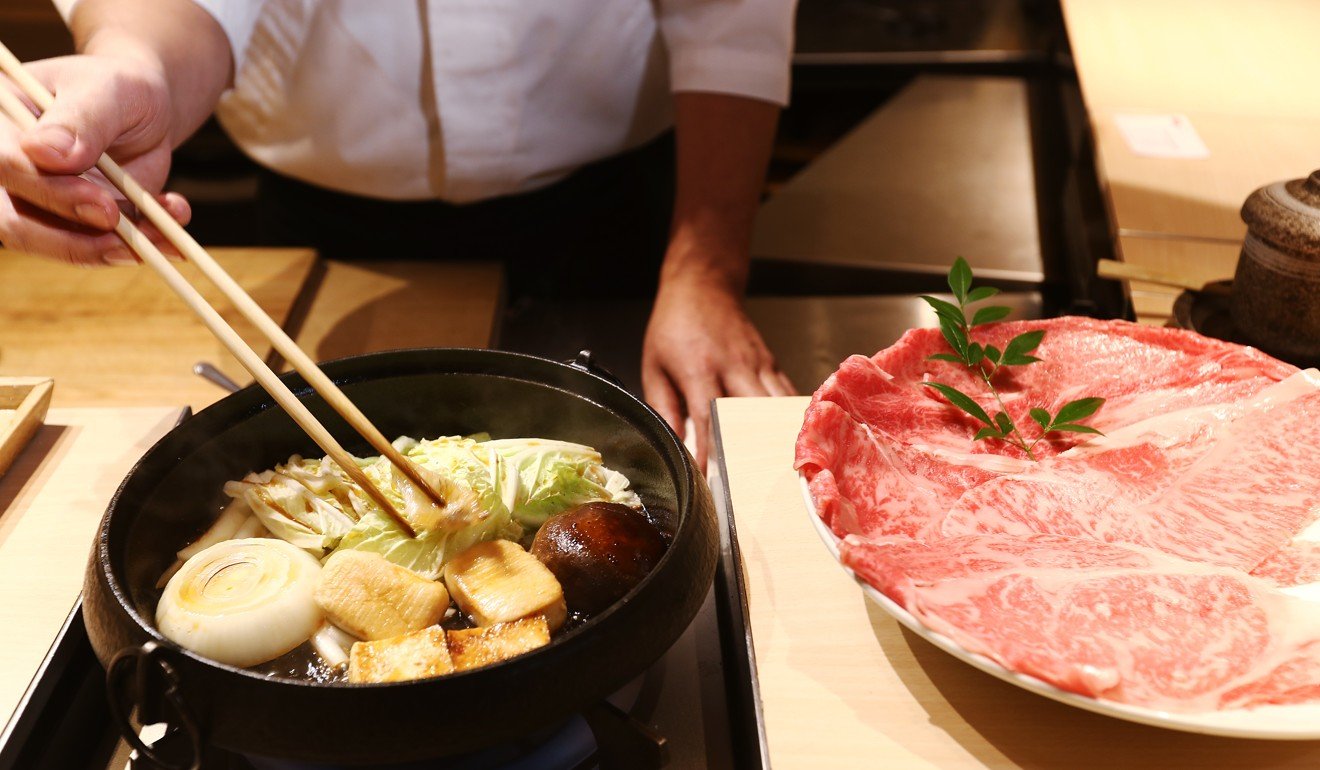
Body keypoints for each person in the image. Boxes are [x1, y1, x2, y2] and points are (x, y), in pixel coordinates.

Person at [0, 0, 798, 466]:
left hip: (632, 209)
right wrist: (136, 66)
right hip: (329, 225)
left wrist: (707, 270)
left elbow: (728, 16)